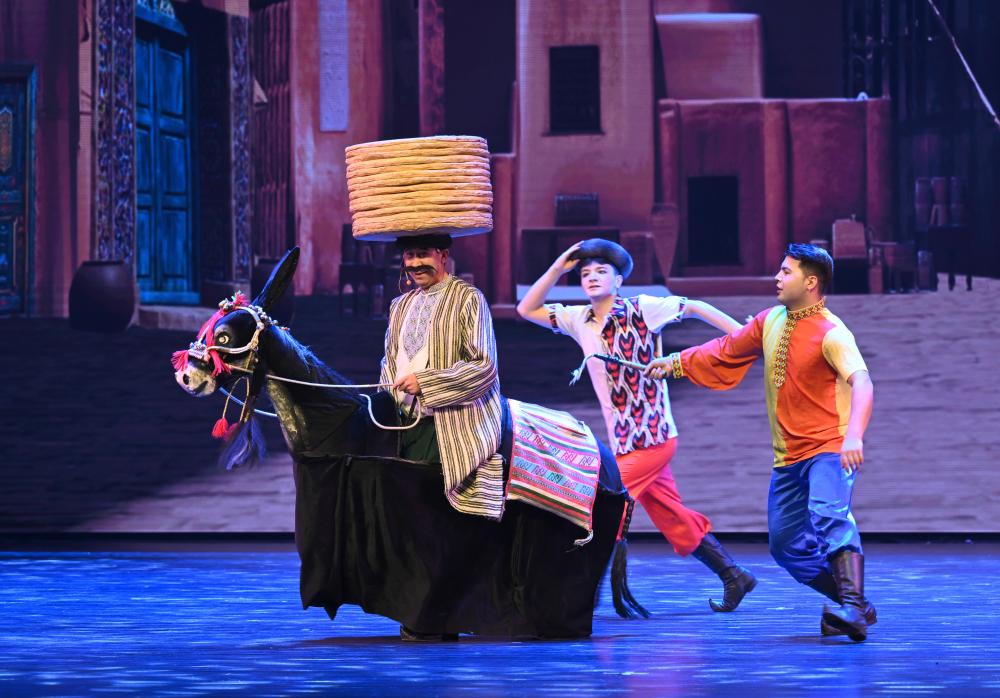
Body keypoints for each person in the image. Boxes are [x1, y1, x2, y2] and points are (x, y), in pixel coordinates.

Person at [645, 243, 877, 641]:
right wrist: (677, 363)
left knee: (828, 513)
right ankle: (855, 605)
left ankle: (853, 608)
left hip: (829, 448)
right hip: (788, 457)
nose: (777, 277)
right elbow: (727, 348)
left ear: (810, 282)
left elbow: (863, 382)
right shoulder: (771, 320)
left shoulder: (833, 333)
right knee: (786, 547)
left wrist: (854, 434)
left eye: (786, 272)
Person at [517, 239, 757, 612]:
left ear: (618, 280)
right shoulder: (579, 319)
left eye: (601, 271)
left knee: (600, 504)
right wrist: (558, 267)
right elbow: (526, 308)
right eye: (585, 273)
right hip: (624, 441)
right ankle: (733, 575)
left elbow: (695, 307)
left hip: (653, 437)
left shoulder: (642, 308)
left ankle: (579, 598)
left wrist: (743, 335)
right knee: (671, 514)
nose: (592, 277)